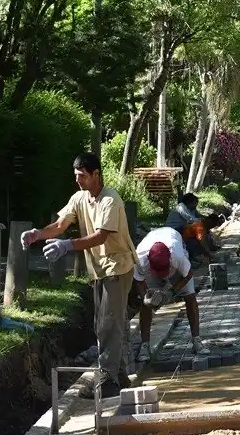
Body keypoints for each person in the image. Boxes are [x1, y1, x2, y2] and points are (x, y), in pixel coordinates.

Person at [21, 152, 135, 398]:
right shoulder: (79, 198)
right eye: (76, 176)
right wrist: (38, 234)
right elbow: (60, 225)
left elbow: (101, 236)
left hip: (118, 267)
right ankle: (120, 375)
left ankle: (108, 382)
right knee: (102, 323)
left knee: (109, 323)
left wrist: (67, 246)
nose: (78, 181)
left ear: (96, 174)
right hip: (99, 269)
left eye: (82, 176)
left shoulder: (110, 200)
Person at [130, 222, 214, 362]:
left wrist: (172, 291)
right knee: (145, 306)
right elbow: (138, 280)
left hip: (174, 251)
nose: (163, 275)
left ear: (170, 258)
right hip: (153, 253)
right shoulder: (140, 259)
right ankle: (145, 345)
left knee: (190, 297)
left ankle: (196, 340)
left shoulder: (178, 256)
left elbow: (188, 275)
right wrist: (145, 297)